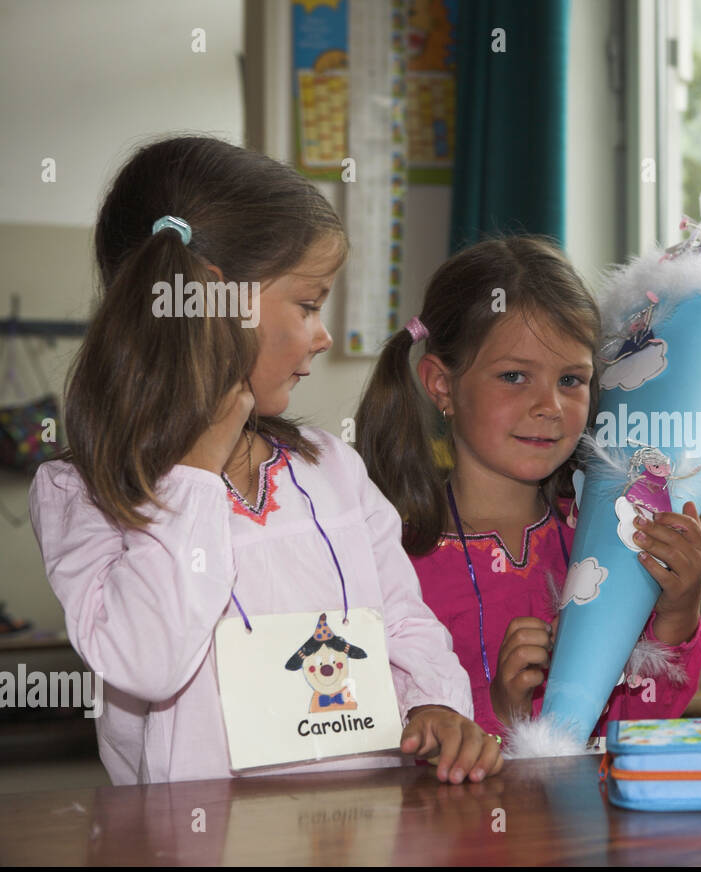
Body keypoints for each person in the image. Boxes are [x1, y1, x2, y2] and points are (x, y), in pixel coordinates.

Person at [29, 136, 501, 784]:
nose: (323, 333)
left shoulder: (333, 467)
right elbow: (147, 661)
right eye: (308, 304)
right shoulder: (80, 492)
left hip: (361, 828)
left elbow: (401, 616)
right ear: (216, 305)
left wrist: (437, 702)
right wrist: (193, 473)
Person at [354, 237, 701, 738]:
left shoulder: (609, 537)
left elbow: (639, 729)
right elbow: (368, 730)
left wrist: (677, 611)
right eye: (515, 375)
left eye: (571, 380)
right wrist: (498, 711)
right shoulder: (389, 555)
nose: (551, 406)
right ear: (441, 385)